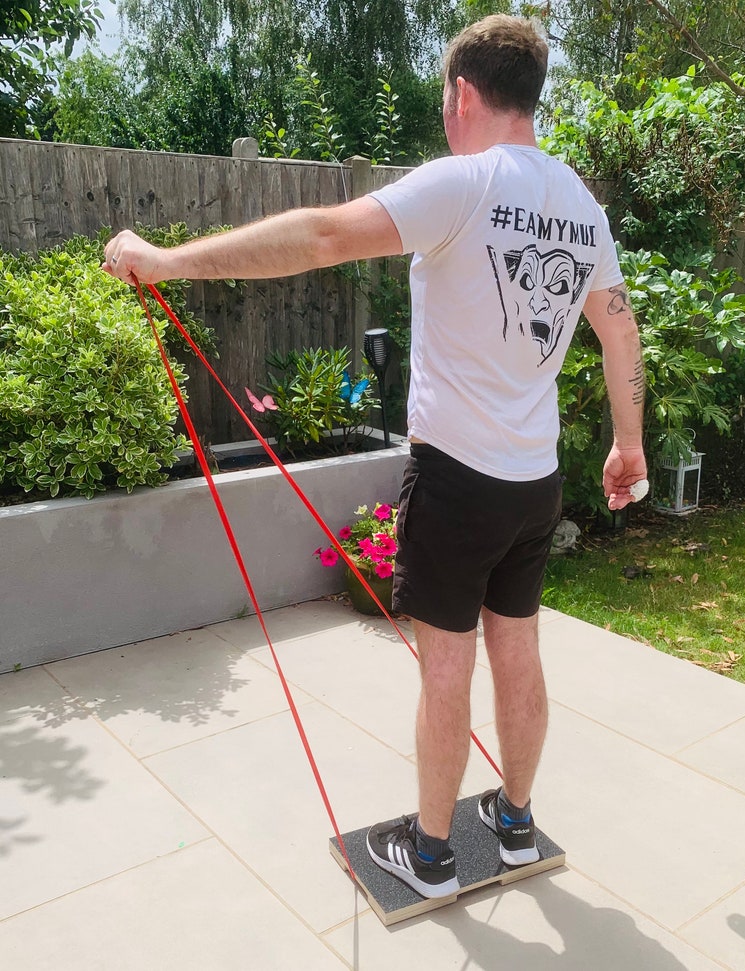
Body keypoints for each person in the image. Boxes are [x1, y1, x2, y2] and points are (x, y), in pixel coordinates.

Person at [104, 14, 647, 900]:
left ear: (463, 95)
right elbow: (619, 326)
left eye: (445, 101)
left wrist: (163, 259)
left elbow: (320, 236)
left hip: (458, 480)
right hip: (533, 483)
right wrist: (629, 444)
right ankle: (512, 823)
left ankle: (431, 855)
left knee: (447, 663)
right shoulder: (580, 205)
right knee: (519, 648)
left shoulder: (461, 185)